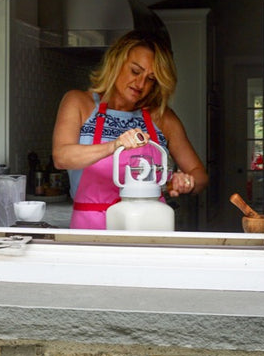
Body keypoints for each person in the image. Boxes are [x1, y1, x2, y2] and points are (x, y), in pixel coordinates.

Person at [52, 30, 209, 230]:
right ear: (116, 62)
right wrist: (114, 145)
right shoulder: (79, 102)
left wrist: (187, 181)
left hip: (150, 226)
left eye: (151, 79)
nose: (141, 84)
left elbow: (200, 175)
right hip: (91, 227)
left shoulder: (163, 118)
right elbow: (61, 157)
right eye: (135, 71)